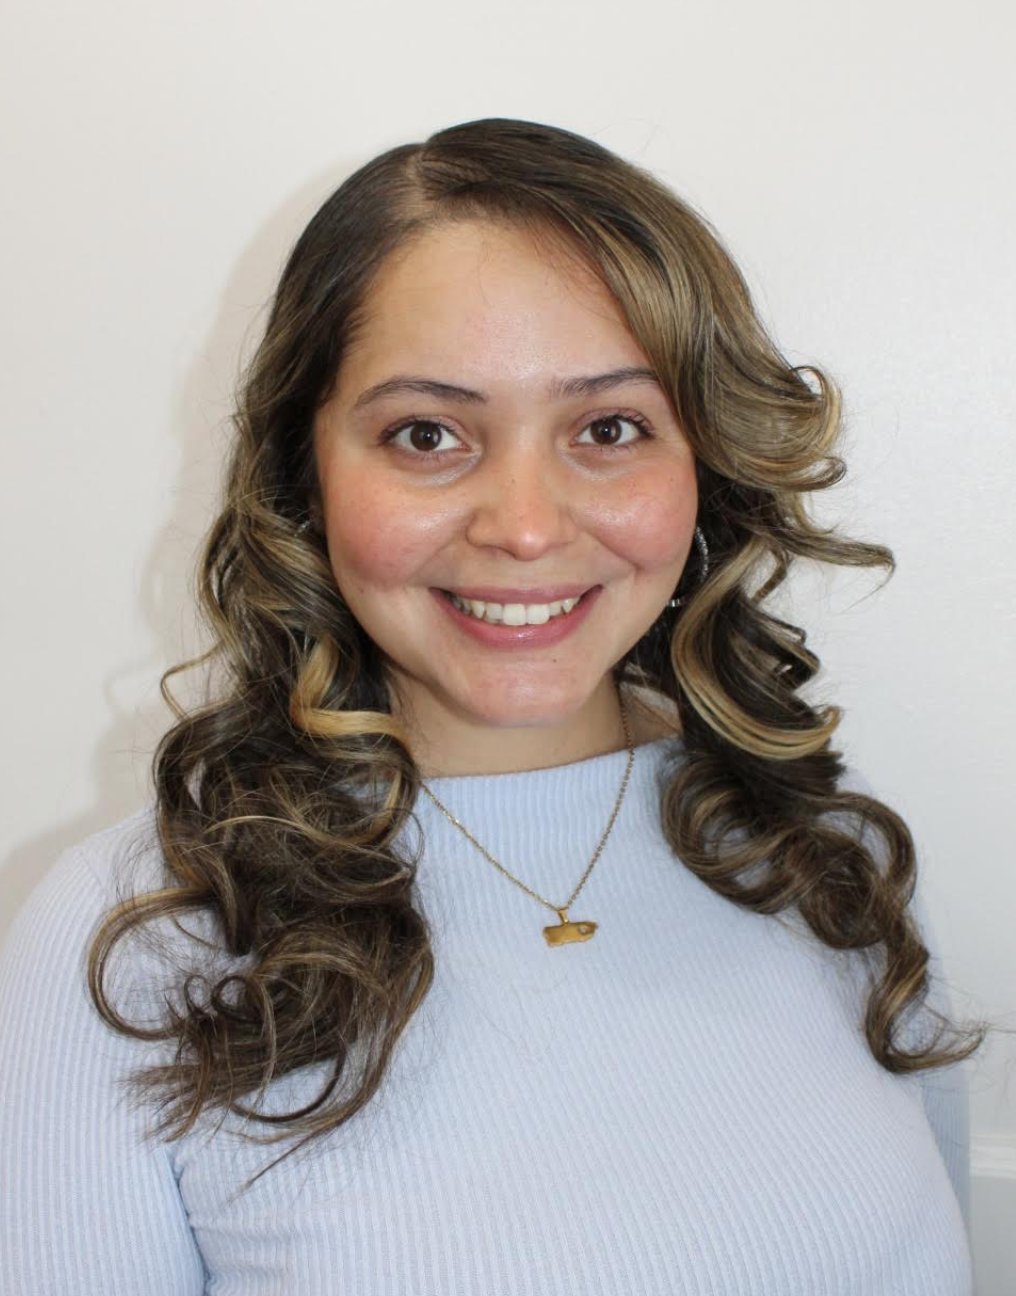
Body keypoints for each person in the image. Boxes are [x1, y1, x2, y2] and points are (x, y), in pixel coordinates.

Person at [0, 117, 988, 1295]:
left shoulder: (820, 844)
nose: (523, 525)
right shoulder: (135, 940)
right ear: (299, 473)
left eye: (608, 428)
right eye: (426, 435)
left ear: (702, 463)